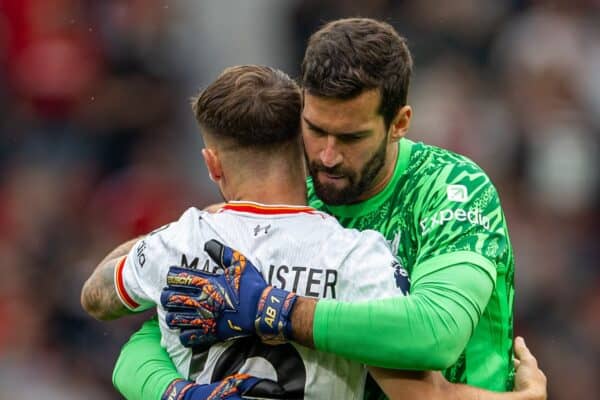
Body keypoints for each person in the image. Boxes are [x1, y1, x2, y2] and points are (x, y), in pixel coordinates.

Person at [88, 18, 547, 400]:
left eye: (350, 138)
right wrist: (174, 391)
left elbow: (436, 333)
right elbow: (151, 336)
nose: (327, 156)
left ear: (399, 124)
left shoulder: (450, 190)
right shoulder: (291, 194)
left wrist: (276, 308)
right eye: (315, 129)